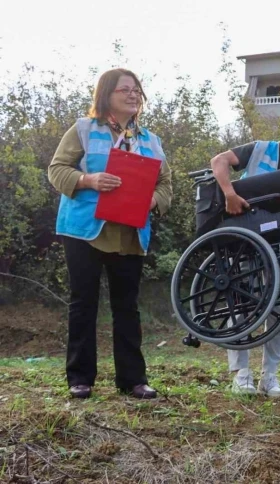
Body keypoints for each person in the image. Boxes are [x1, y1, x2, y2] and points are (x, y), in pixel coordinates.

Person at [48, 68, 173, 400]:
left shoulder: (150, 140)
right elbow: (57, 169)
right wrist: (89, 180)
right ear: (106, 95)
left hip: (130, 232)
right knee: (83, 303)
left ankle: (133, 379)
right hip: (85, 229)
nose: (133, 95)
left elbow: (165, 184)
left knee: (127, 306)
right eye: (125, 90)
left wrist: (152, 202)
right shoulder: (83, 129)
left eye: (137, 90)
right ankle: (80, 378)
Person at [210, 110, 280, 397]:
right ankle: (241, 375)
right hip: (246, 238)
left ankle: (269, 377)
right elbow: (219, 161)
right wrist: (229, 194)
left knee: (279, 309)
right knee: (242, 304)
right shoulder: (259, 149)